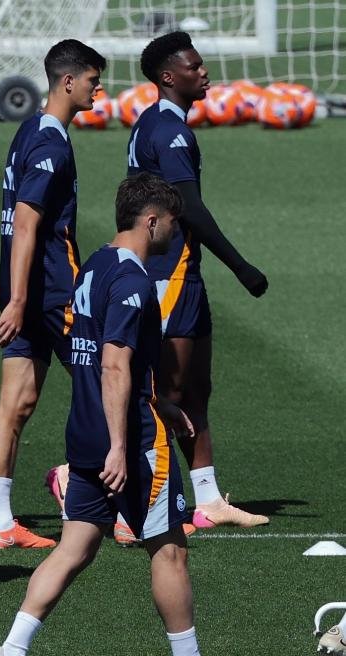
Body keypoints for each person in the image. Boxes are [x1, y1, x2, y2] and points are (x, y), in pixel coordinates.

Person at [0, 174, 255, 656]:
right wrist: (120, 443)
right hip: (127, 439)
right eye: (173, 224)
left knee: (75, 546)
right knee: (170, 549)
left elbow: (92, 353)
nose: (176, 234)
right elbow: (113, 365)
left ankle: (10, 654)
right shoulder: (132, 281)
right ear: (151, 220)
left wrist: (163, 403)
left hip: (85, 429)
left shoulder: (94, 267)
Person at [126, 31, 269, 528]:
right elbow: (188, 208)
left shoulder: (164, 125)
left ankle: (206, 501)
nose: (204, 72)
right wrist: (242, 266)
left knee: (195, 389)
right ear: (169, 76)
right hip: (169, 274)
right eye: (195, 66)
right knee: (165, 390)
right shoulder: (168, 132)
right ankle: (126, 496)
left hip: (186, 274)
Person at [0, 39, 106, 551]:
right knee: (106, 385)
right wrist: (17, 299)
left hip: (27, 290)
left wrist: (15, 293)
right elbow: (29, 223)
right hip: (53, 292)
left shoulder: (28, 130)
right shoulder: (53, 144)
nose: (99, 89)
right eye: (94, 81)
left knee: (17, 401)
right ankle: (86, 489)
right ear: (68, 81)